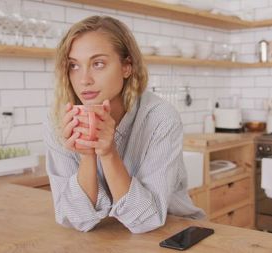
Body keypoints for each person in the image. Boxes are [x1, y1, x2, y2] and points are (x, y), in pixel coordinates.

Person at [44, 15, 205, 233]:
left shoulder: (160, 118)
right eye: (74, 65)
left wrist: (109, 153)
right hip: (107, 235)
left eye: (98, 64)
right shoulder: (58, 121)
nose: (84, 80)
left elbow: (147, 220)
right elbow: (75, 219)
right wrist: (87, 154)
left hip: (173, 230)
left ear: (126, 67)